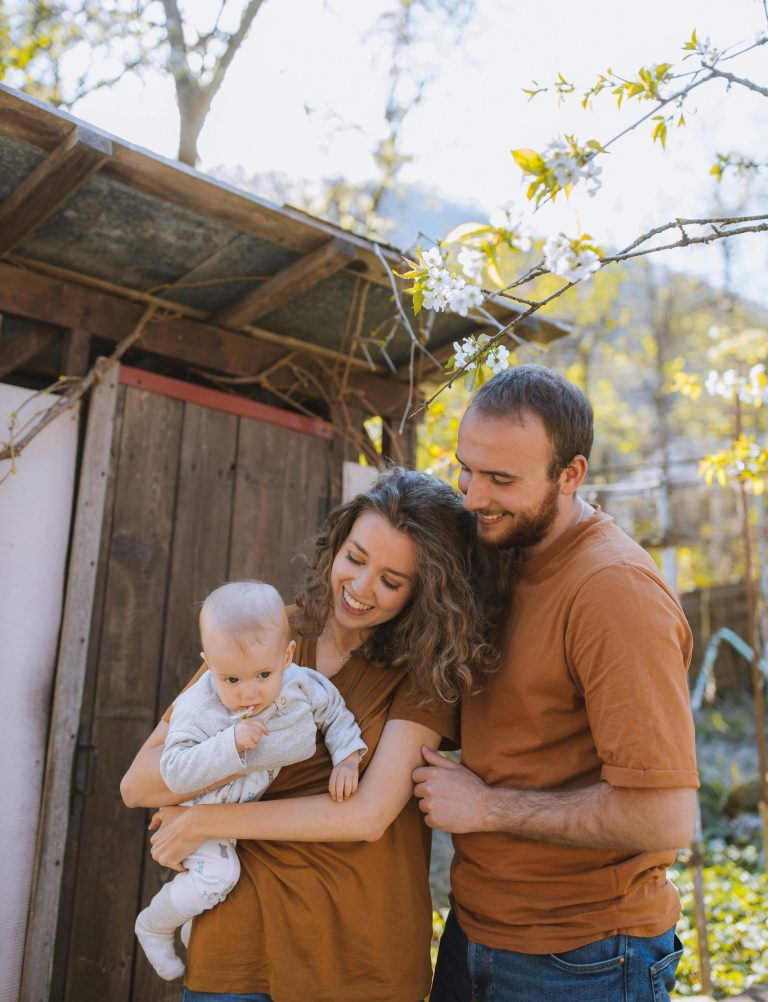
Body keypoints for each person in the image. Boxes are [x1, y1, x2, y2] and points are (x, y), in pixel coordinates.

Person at [120, 467, 496, 1002]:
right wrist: (226, 755)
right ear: (337, 545)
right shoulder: (266, 634)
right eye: (355, 559)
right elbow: (139, 784)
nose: (361, 589)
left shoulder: (425, 672)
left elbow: (367, 815)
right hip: (239, 938)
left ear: (426, 592)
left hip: (360, 952)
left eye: (391, 581)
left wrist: (205, 817)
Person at [412, 364, 699, 1002]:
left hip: (585, 955)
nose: (471, 496)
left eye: (501, 479)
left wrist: (485, 806)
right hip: (476, 926)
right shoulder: (504, 547)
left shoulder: (612, 593)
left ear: (570, 475)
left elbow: (664, 816)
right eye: (466, 467)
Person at [135, 580, 366, 981]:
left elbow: (335, 714)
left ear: (287, 654)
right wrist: (230, 745)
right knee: (221, 877)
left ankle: (189, 923)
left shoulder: (300, 683)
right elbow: (173, 769)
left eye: (262, 673)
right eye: (231, 680)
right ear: (209, 664)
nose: (248, 693)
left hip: (235, 816)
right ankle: (155, 924)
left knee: (211, 885)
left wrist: (347, 759)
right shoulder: (197, 706)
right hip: (199, 810)